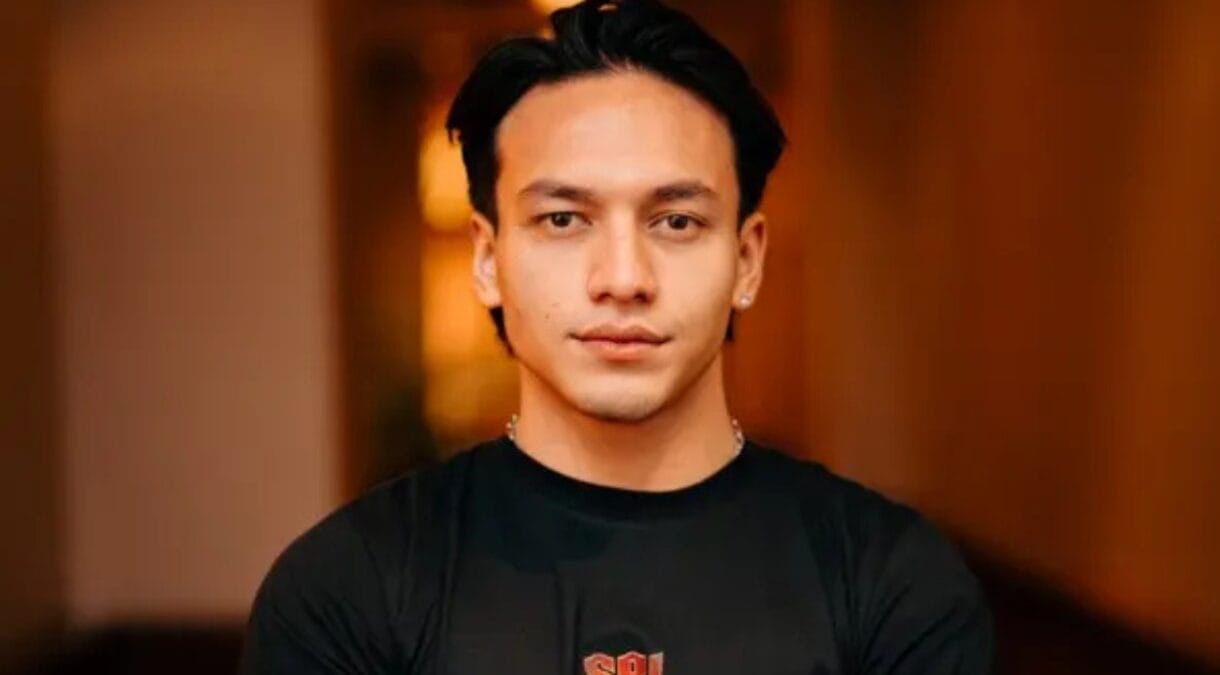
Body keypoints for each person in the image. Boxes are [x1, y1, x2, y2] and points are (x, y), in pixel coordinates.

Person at [239, 1, 994, 672]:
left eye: (677, 221)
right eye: (564, 219)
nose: (624, 277)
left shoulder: (891, 584)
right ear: (488, 260)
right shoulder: (350, 588)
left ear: (746, 260)